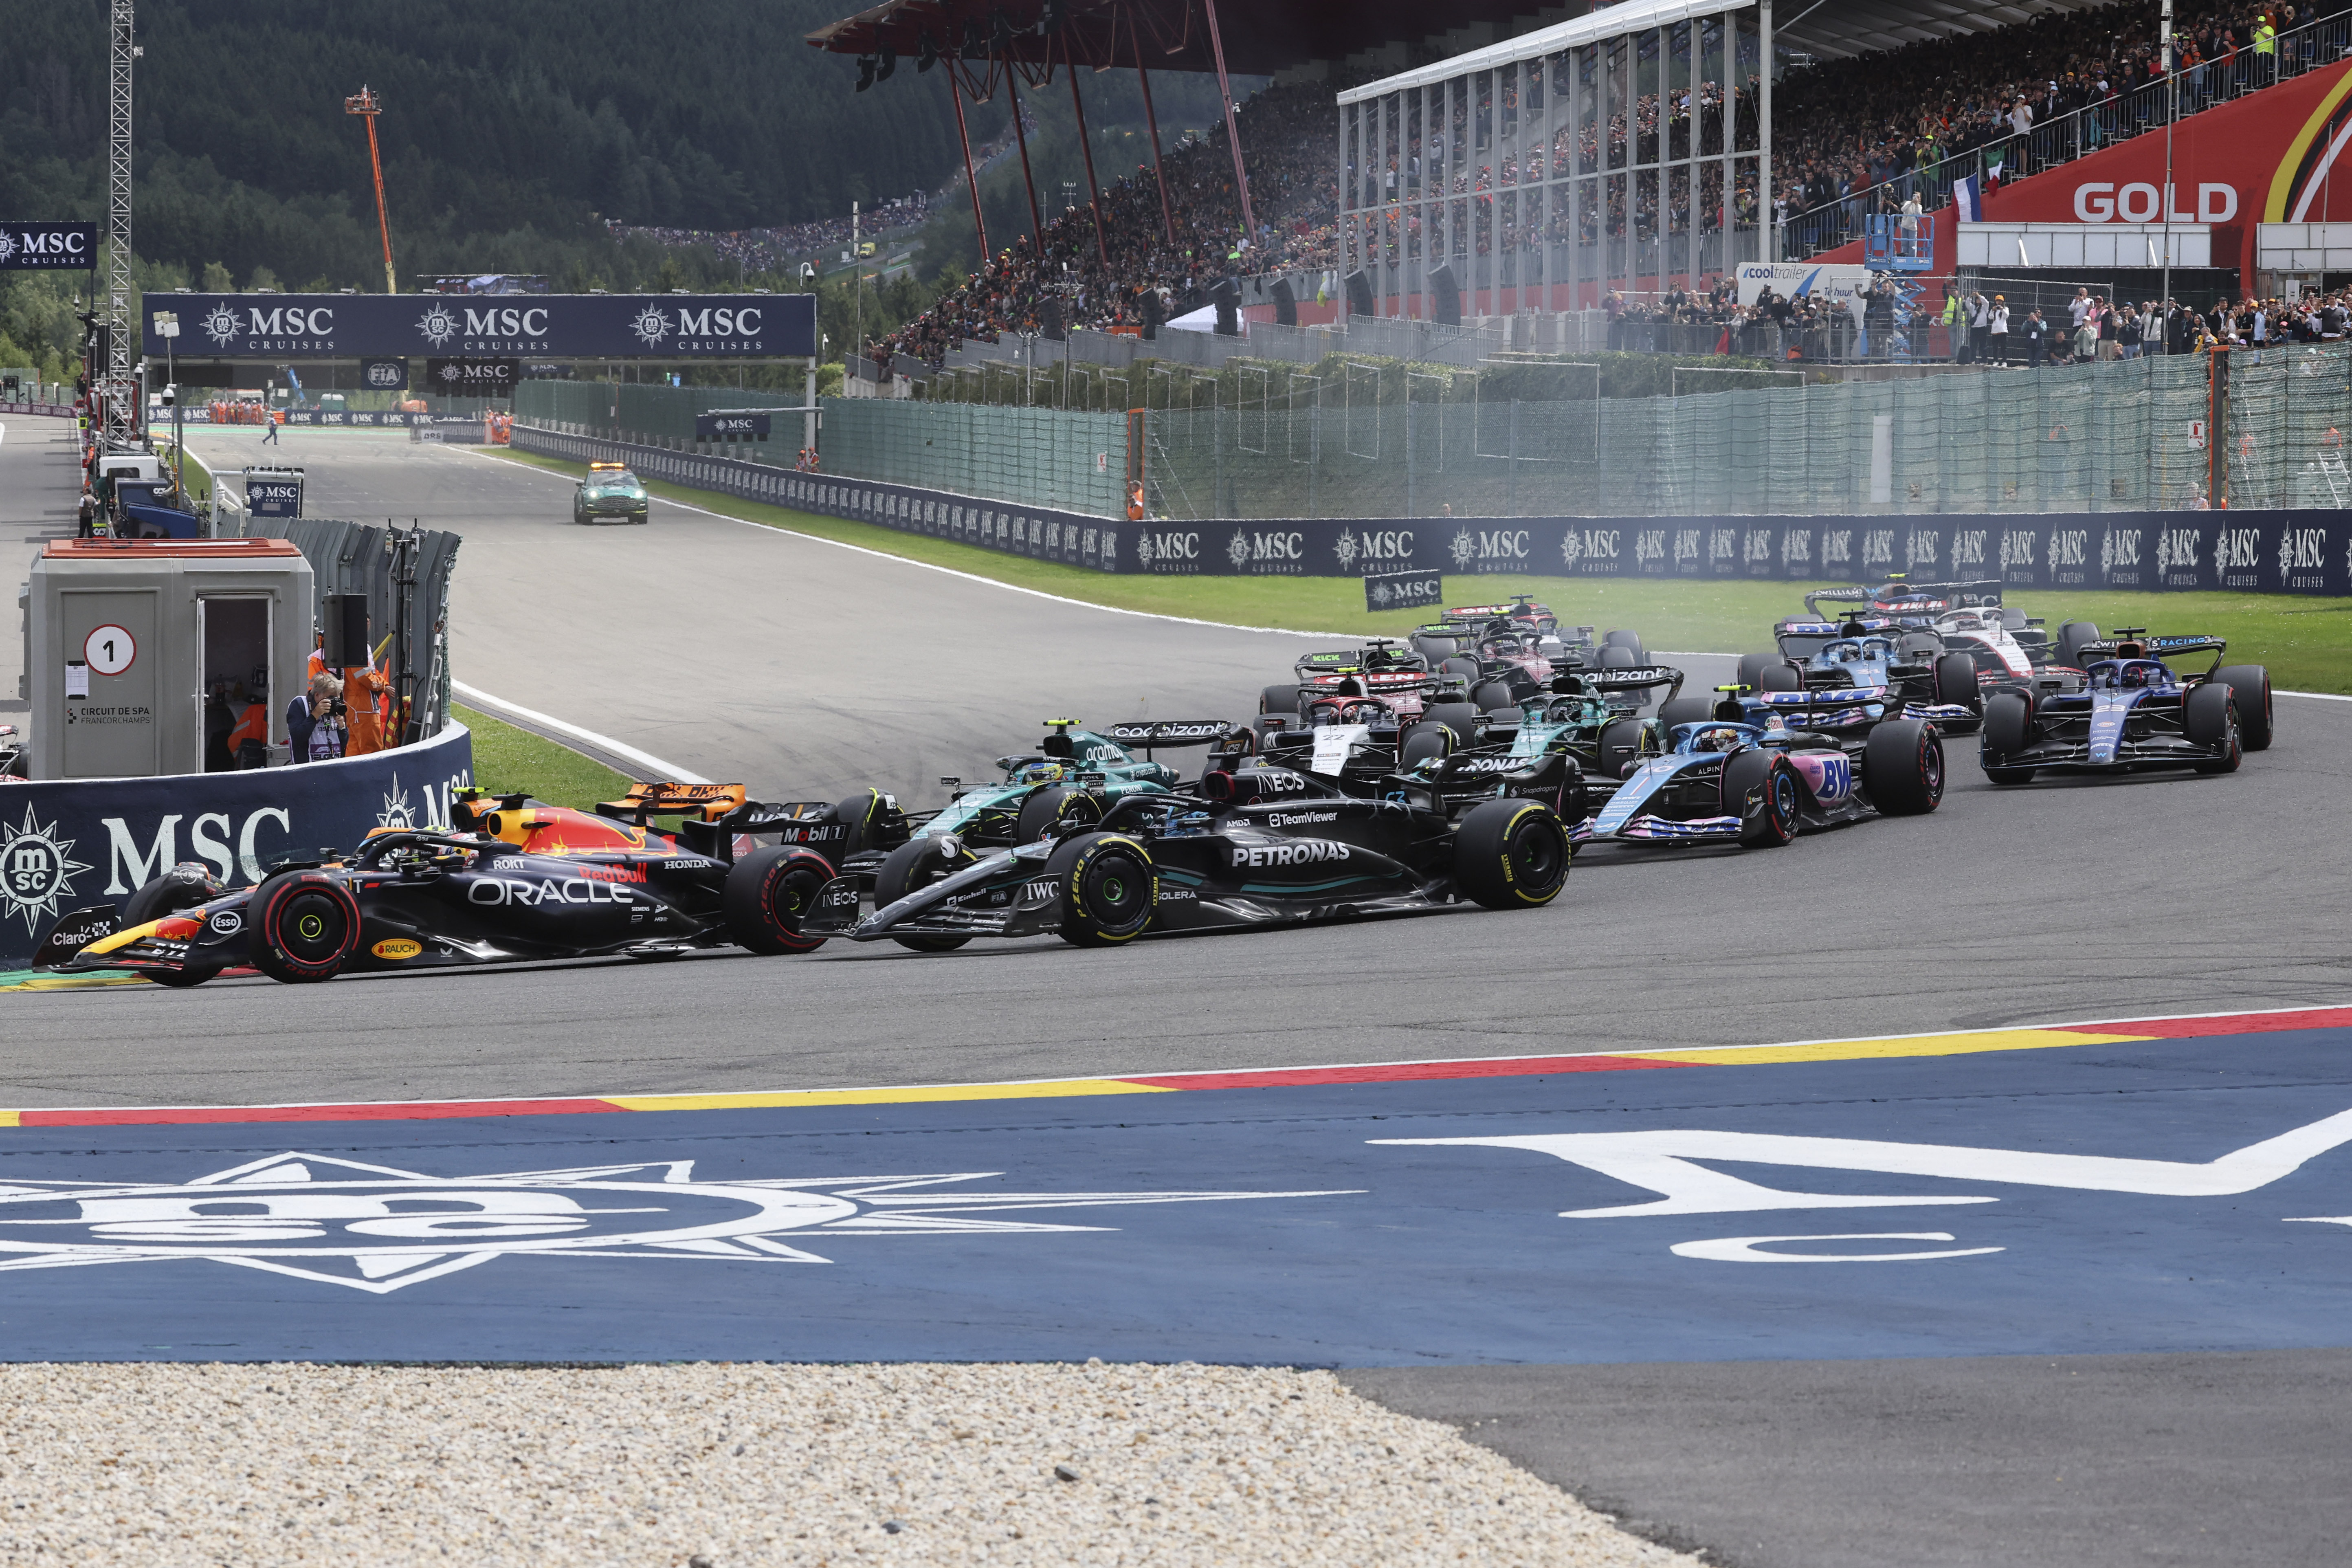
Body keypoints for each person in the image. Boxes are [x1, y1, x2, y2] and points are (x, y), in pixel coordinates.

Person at [286, 672, 343, 763]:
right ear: (317, 695)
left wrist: (342, 727)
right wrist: (315, 714)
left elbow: (344, 743)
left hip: (334, 766)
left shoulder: (335, 708)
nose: (333, 702)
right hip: (308, 767)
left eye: (336, 698)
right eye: (330, 698)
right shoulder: (300, 704)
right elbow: (298, 738)